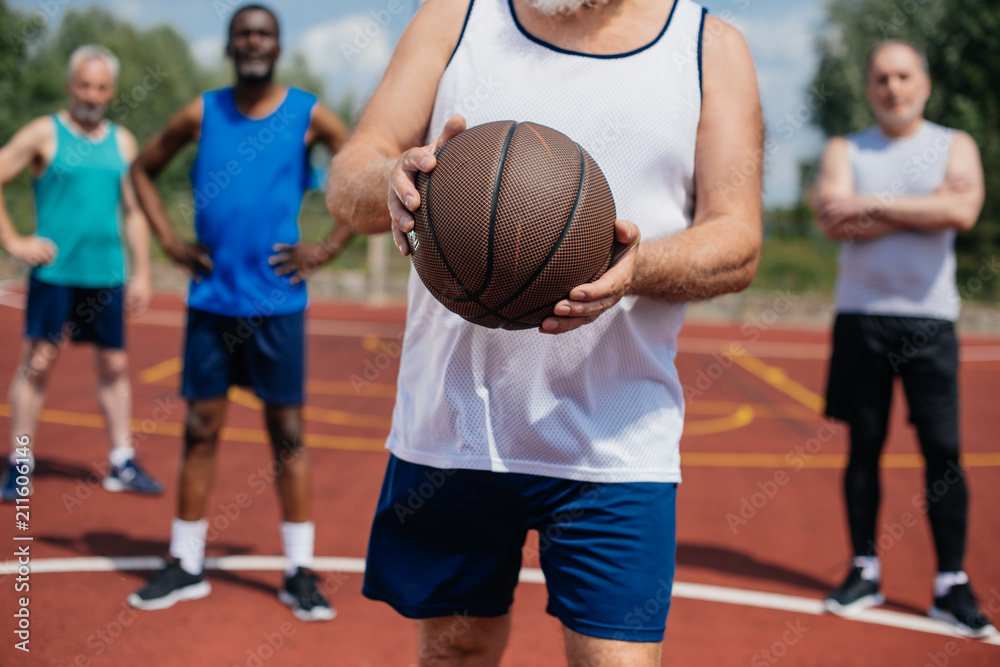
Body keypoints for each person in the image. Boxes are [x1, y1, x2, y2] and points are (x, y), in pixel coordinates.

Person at [328, 0, 761, 663]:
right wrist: (388, 181)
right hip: (452, 430)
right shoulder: (455, 16)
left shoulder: (709, 46)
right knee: (455, 652)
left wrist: (637, 267)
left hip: (614, 439)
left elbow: (738, 239)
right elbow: (349, 177)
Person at [126, 4, 352, 622]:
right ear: (230, 46)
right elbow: (141, 170)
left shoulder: (308, 112)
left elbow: (363, 171)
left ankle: (299, 572)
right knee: (200, 430)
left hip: (277, 302)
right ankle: (185, 562)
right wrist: (170, 244)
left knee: (289, 437)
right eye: (244, 34)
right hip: (212, 301)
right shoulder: (203, 112)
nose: (254, 42)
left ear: (276, 46)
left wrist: (328, 247)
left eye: (264, 34)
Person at [814, 40, 995, 639]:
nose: (893, 87)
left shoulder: (954, 144)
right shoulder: (846, 147)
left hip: (931, 322)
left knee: (942, 450)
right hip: (861, 318)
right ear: (869, 88)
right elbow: (830, 217)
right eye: (881, 78)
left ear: (925, 82)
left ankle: (950, 583)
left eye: (903, 76)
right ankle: (864, 569)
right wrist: (926, 206)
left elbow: (964, 211)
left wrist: (870, 207)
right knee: (863, 446)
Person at [0, 45, 162, 502]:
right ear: (72, 85)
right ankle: (21, 462)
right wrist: (14, 241)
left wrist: (143, 273)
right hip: (55, 275)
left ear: (111, 91)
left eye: (101, 87)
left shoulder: (123, 142)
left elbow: (132, 212)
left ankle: (121, 461)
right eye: (85, 84)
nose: (92, 94)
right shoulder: (42, 134)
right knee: (38, 364)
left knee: (114, 366)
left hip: (106, 276)